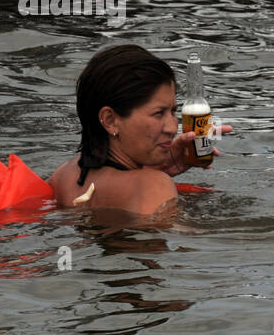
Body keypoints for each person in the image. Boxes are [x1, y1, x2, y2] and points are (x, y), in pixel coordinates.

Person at [47, 44, 228, 216]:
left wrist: (151, 169)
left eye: (173, 111)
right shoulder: (153, 185)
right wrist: (154, 179)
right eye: (159, 113)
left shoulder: (64, 174)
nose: (173, 128)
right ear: (110, 120)